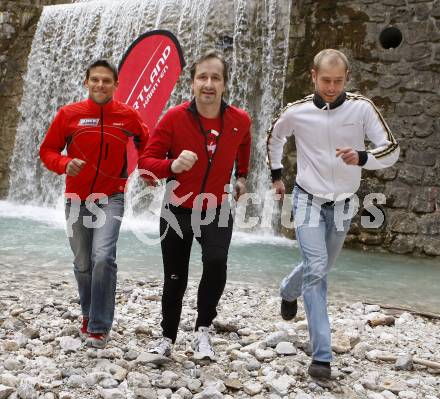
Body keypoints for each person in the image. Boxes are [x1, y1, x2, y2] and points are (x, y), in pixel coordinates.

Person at [267, 49, 399, 379]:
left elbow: (391, 149)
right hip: (307, 198)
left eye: (338, 81)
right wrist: (276, 174)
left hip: (343, 203)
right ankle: (322, 356)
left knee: (322, 264)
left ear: (347, 78)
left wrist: (363, 157)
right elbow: (275, 137)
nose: (331, 87)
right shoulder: (297, 112)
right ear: (313, 76)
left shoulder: (361, 108)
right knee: (317, 269)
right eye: (325, 80)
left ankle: (287, 289)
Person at [138, 50, 251, 360]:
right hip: (176, 210)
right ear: (192, 83)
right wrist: (172, 166)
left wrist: (241, 177)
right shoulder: (174, 117)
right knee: (175, 276)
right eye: (202, 77)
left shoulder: (239, 120)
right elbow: (145, 162)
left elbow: (244, 145)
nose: (209, 83)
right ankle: (167, 337)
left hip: (216, 208)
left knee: (216, 263)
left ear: (225, 84)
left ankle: (203, 330)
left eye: (216, 77)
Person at [39, 60, 149, 349]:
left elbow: (146, 142)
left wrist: (147, 169)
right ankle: (87, 314)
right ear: (86, 82)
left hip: (111, 197)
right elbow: (47, 150)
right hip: (76, 198)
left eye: (106, 81)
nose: (100, 85)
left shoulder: (127, 116)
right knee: (82, 262)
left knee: (103, 257)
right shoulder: (69, 115)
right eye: (95, 80)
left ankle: (100, 326)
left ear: (115, 85)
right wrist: (64, 163)